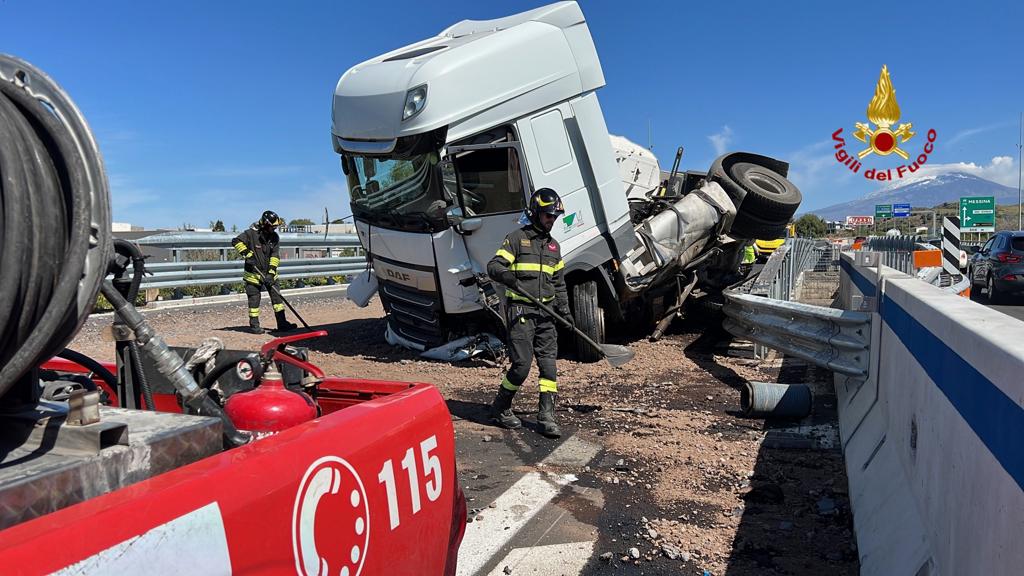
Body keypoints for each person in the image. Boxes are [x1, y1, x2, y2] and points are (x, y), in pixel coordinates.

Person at [486, 188, 571, 438]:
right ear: (535, 213)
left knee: (549, 368)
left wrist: (564, 312)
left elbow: (559, 283)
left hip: (546, 316)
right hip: (521, 312)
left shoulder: (554, 247)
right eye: (547, 215)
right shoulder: (517, 239)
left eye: (554, 216)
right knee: (522, 366)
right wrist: (508, 277)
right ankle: (501, 407)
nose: (551, 220)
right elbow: (494, 265)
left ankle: (546, 416)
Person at [232, 210, 297, 334]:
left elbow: (274, 256)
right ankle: (254, 325)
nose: (274, 229)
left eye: (276, 227)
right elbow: (235, 241)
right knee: (254, 300)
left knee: (277, 300)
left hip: (269, 275)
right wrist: (247, 254)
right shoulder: (251, 234)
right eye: (273, 227)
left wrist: (271, 273)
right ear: (266, 225)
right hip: (253, 275)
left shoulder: (274, 237)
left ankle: (282, 324)